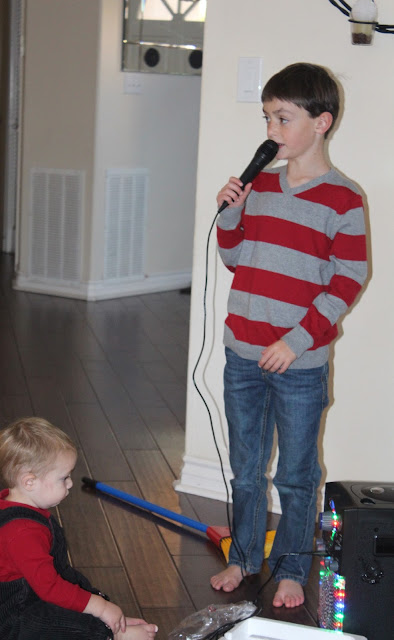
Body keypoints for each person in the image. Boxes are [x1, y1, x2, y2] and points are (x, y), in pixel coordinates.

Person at [210, 63, 367, 608]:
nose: (271, 130)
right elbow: (235, 258)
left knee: (297, 476)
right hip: (242, 353)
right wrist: (230, 214)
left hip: (298, 363)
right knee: (247, 471)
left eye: (283, 118)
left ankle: (294, 567)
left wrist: (295, 341)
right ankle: (244, 557)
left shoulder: (344, 199)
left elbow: (348, 280)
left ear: (321, 122)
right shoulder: (261, 185)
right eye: (267, 118)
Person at [0, 417, 158, 640]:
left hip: (29, 598)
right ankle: (114, 635)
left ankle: (114, 625)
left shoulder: (17, 511)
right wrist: (100, 608)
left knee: (79, 600)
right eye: (64, 477)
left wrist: (100, 604)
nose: (70, 483)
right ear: (29, 482)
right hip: (13, 625)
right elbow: (51, 587)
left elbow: (59, 574)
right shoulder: (21, 533)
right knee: (68, 621)